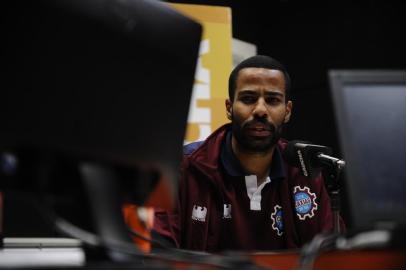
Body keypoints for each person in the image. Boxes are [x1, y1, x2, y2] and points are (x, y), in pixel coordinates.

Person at [153, 55, 343, 252]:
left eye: (272, 100)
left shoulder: (304, 171)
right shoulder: (184, 168)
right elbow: (158, 255)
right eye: (248, 99)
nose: (260, 110)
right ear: (229, 108)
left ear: (287, 111)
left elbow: (331, 257)